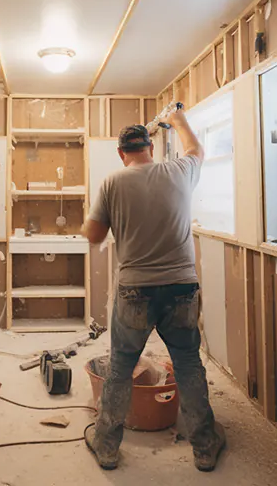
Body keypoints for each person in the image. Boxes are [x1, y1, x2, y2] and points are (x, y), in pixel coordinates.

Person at [81, 110, 226, 472]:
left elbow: (94, 236)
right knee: (189, 363)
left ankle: (108, 447)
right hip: (181, 287)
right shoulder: (179, 171)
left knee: (120, 367)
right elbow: (196, 150)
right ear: (150, 147)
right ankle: (205, 447)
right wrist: (177, 120)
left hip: (136, 290)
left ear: (120, 153)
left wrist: (95, 216)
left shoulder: (113, 183)